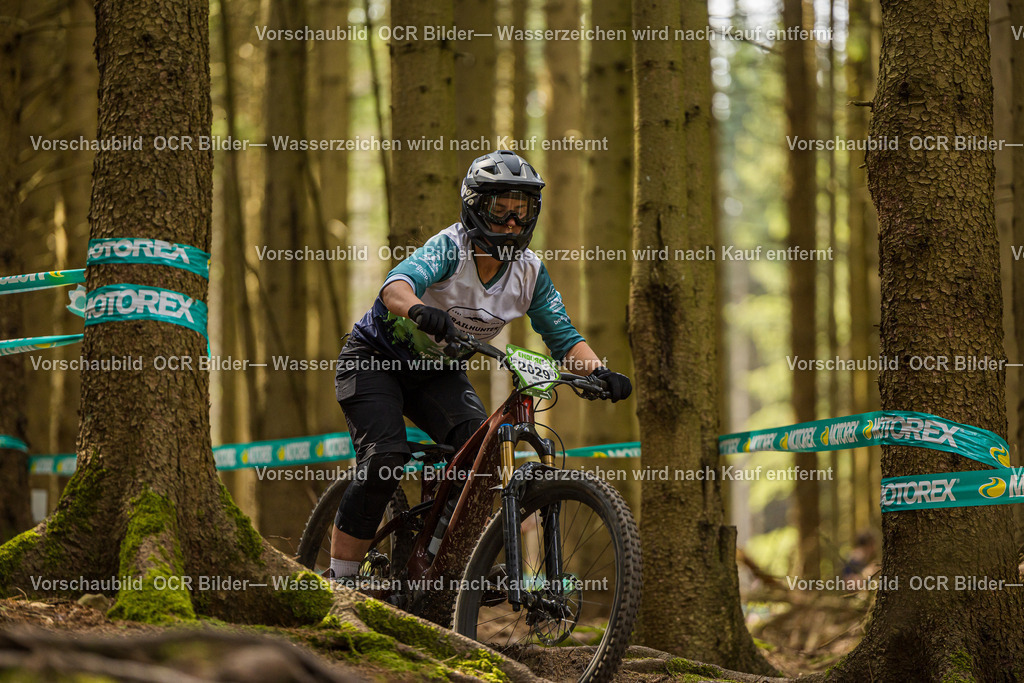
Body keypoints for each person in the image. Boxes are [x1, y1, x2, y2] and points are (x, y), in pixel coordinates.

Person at [327, 150, 632, 581]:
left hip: (437, 373)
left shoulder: (529, 272)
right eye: (500, 210)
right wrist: (417, 310)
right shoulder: (451, 248)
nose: (511, 223)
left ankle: (435, 563)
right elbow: (394, 286)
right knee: (385, 459)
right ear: (474, 207)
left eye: (520, 212)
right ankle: (340, 579)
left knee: (481, 456)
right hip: (375, 360)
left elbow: (564, 338)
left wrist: (599, 373)